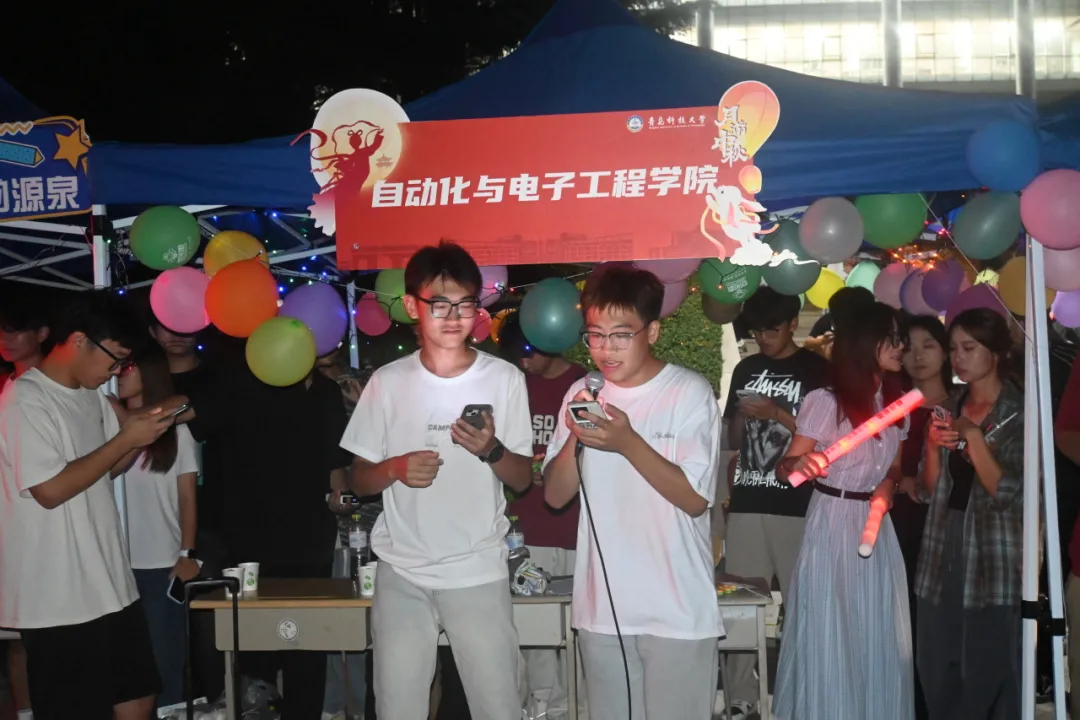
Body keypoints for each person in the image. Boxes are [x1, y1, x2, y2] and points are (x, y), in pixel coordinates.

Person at [341, 241, 534, 720]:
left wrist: (491, 449)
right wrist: (395, 468)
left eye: (465, 304)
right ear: (412, 306)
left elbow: (523, 479)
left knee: (498, 705)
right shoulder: (388, 382)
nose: (454, 317)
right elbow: (358, 479)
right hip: (401, 570)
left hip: (478, 567)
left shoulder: (504, 379)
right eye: (439, 304)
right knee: (397, 706)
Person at [543, 265, 723, 720]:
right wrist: (574, 436)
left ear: (653, 331)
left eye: (621, 335)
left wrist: (627, 442)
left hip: (676, 609)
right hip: (602, 609)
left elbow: (694, 499)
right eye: (595, 335)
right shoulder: (580, 393)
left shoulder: (688, 393)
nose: (606, 349)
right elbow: (555, 496)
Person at [0, 291, 178, 720]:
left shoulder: (90, 395)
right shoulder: (25, 399)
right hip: (58, 595)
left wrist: (138, 438)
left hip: (109, 581)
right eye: (115, 360)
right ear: (80, 340)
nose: (115, 372)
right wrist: (125, 439)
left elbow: (101, 470)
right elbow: (49, 490)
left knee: (138, 698)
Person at [180, 340, 352, 717]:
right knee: (256, 651)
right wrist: (140, 414)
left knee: (308, 646)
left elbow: (336, 469)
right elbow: (195, 413)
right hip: (249, 543)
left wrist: (347, 500)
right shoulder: (242, 379)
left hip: (310, 540)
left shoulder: (325, 392)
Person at [772, 301, 913, 720]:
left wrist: (887, 488)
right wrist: (800, 464)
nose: (901, 347)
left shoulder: (896, 403)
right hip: (833, 520)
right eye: (892, 338)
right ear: (866, 341)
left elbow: (894, 467)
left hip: (876, 527)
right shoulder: (826, 401)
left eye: (900, 338)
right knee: (833, 630)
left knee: (877, 631)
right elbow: (786, 468)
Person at [721, 286, 828, 718]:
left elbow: (829, 438)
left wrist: (776, 414)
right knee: (739, 605)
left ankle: (800, 691)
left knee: (801, 606)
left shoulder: (816, 370)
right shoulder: (746, 368)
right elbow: (731, 439)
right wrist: (739, 418)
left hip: (798, 501)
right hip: (748, 497)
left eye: (772, 329)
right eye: (757, 331)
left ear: (792, 324)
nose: (763, 338)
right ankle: (740, 698)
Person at [916, 308, 1024, 720]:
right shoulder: (950, 406)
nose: (957, 358)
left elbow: (1010, 493)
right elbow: (931, 491)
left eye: (968, 348)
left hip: (993, 555)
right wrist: (932, 447)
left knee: (990, 667)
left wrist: (975, 440)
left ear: (995, 353)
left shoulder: (1018, 412)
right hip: (943, 547)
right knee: (939, 663)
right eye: (954, 349)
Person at [499, 314, 587, 718]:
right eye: (516, 355)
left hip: (573, 528)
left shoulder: (582, 385)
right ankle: (538, 708)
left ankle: (573, 708)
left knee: (575, 629)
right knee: (532, 632)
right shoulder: (514, 386)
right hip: (526, 529)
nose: (524, 362)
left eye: (528, 352)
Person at [117, 343, 200, 710]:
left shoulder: (176, 433)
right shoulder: (109, 429)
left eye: (128, 366)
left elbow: (187, 498)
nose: (119, 373)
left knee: (165, 665)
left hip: (160, 566)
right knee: (125, 672)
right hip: (114, 566)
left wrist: (187, 553)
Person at [895, 314, 952, 720]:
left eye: (928, 345)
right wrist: (901, 481)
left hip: (950, 534)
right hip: (902, 529)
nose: (917, 356)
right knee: (906, 629)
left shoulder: (962, 407)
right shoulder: (893, 408)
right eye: (909, 347)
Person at [0, 298, 50, 720]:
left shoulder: (56, 386)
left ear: (42, 334)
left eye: (15, 329)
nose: (6, 338)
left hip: (51, 525)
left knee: (50, 634)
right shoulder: (6, 388)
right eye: (2, 330)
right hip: (10, 526)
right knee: (15, 636)